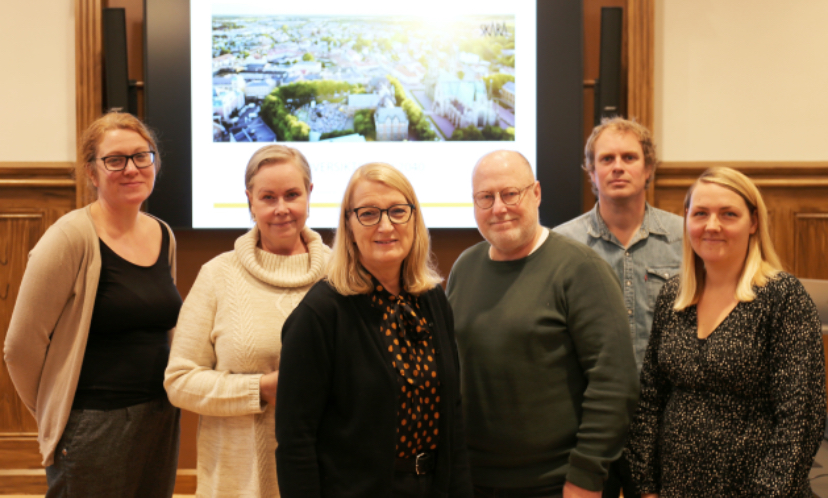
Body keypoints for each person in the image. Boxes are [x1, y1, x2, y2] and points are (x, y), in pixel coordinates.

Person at [4, 112, 181, 497]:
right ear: (92, 172)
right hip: (93, 424)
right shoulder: (69, 237)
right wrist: (56, 412)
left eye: (141, 156)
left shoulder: (163, 234)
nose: (131, 168)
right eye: (115, 160)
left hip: (159, 417)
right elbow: (19, 348)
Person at [447, 150, 639, 498]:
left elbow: (615, 381)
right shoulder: (465, 267)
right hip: (473, 480)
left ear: (536, 193)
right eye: (485, 198)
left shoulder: (581, 268)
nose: (498, 208)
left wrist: (585, 476)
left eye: (510, 194)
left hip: (559, 484)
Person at [625, 166, 826, 497]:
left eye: (728, 214)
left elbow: (801, 420)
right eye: (701, 213)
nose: (712, 225)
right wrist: (645, 486)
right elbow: (650, 399)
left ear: (754, 223)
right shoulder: (673, 296)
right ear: (687, 219)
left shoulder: (782, 297)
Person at [276, 162, 473, 498]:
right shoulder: (321, 313)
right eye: (369, 213)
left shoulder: (433, 300)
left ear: (414, 219)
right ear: (349, 226)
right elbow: (296, 440)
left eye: (398, 211)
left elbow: (452, 415)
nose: (386, 226)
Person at [164, 145, 330, 497]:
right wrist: (260, 390)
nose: (281, 208)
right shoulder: (217, 276)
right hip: (236, 482)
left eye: (292, 195)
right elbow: (179, 381)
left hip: (324, 477)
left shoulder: (342, 276)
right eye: (268, 197)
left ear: (310, 194)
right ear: (249, 200)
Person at [554, 118, 682, 498]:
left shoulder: (686, 239)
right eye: (606, 159)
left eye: (629, 157)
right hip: (589, 419)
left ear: (649, 170)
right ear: (591, 173)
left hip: (668, 418)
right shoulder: (562, 245)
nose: (618, 166)